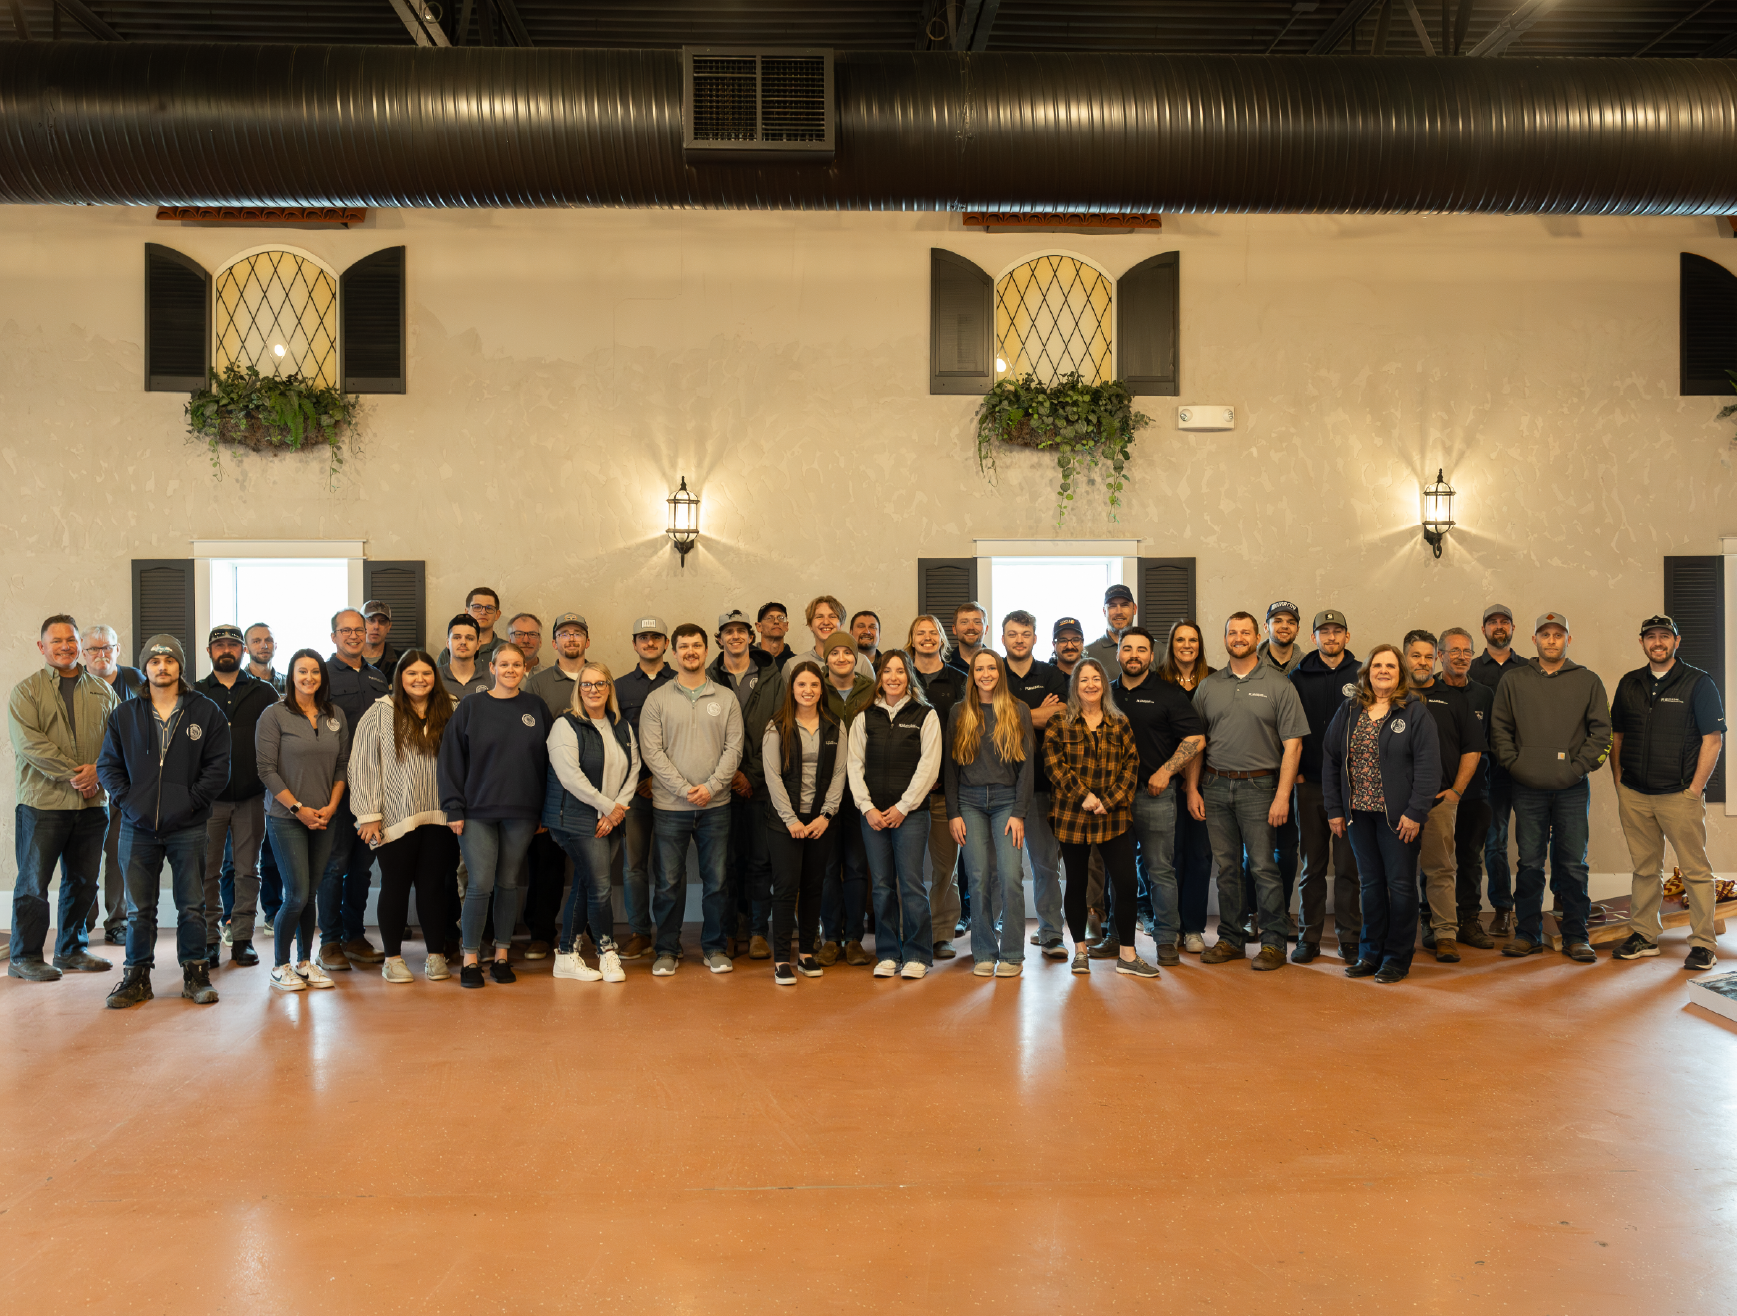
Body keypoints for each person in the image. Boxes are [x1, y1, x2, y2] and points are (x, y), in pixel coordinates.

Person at [97, 634, 232, 1008]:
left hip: (188, 825)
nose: (162, 667)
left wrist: (190, 803)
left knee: (192, 905)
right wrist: (130, 803)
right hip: (136, 827)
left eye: (169, 661)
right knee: (139, 908)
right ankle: (136, 977)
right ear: (145, 667)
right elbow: (107, 766)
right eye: (154, 662)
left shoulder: (205, 712)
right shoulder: (124, 714)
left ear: (180, 666)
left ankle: (195, 975)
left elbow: (218, 767)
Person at [1489, 612, 1612, 963]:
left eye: (1559, 635)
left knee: (1573, 865)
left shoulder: (1588, 680)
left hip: (1573, 788)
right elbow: (1499, 730)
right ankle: (1526, 933)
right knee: (1529, 862)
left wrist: (1576, 768)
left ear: (1568, 640)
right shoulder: (1514, 680)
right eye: (1545, 634)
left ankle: (1576, 935)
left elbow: (1602, 732)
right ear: (1534, 640)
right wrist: (1516, 765)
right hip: (1526, 788)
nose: (1552, 640)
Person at [1188, 612, 1308, 971]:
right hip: (1214, 785)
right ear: (1224, 637)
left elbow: (1294, 745)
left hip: (1260, 786)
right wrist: (1193, 787)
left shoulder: (1279, 684)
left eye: (1245, 632)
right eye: (1232, 632)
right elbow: (1196, 742)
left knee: (1262, 867)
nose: (1238, 637)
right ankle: (1231, 938)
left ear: (1258, 636)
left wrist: (1283, 795)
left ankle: (1272, 943)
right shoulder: (1209, 686)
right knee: (1226, 869)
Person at [1610, 615, 1725, 971]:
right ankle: (1644, 936)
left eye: (1664, 636)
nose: (1657, 642)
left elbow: (1713, 739)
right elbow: (1618, 737)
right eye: (1651, 637)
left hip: (1679, 794)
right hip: (1635, 793)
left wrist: (1694, 790)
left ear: (1677, 641)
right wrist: (1619, 782)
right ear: (1641, 642)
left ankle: (1703, 944)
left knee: (1695, 871)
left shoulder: (1698, 683)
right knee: (1645, 869)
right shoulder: (1629, 683)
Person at [8, 615, 119, 981]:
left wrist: (98, 774)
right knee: (33, 883)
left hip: (92, 805)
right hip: (43, 805)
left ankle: (72, 949)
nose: (65, 646)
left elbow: (119, 741)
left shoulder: (103, 691)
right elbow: (31, 746)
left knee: (84, 881)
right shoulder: (26, 692)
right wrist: (80, 774)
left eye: (70, 639)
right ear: (42, 647)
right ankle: (24, 956)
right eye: (56, 641)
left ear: (79, 645)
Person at [1321, 645, 1441, 984]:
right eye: (1377, 665)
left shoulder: (1415, 713)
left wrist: (1416, 812)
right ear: (1367, 672)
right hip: (1359, 816)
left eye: (1391, 666)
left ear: (1400, 673)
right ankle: (1369, 954)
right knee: (1370, 886)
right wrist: (1334, 809)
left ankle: (1397, 959)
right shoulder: (1349, 711)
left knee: (1401, 887)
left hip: (1399, 819)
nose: (1383, 671)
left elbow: (1429, 768)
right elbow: (1331, 760)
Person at [438, 643, 551, 987]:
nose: (511, 670)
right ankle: (470, 958)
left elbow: (550, 763)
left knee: (508, 884)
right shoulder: (472, 707)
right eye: (504, 664)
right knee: (480, 884)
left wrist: (545, 811)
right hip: (476, 813)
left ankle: (502, 955)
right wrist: (453, 807)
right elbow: (450, 760)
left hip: (521, 813)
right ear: (492, 668)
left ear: (525, 669)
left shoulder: (536, 707)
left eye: (517, 664)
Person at [640, 622, 745, 977]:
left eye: (696, 645)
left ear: (705, 650)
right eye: (683, 646)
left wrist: (711, 787)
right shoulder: (657, 699)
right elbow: (652, 752)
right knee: (668, 883)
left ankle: (714, 948)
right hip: (670, 808)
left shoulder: (726, 698)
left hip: (716, 807)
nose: (690, 652)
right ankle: (667, 949)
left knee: (716, 881)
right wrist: (686, 790)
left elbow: (734, 749)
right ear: (674, 652)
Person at [1045, 657, 1159, 979]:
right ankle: (1080, 951)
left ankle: (1127, 955)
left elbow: (1131, 767)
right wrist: (1084, 795)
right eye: (1084, 680)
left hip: (1114, 816)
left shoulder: (1119, 722)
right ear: (1075, 686)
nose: (1091, 685)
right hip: (1072, 815)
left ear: (1103, 684)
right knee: (1077, 884)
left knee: (1125, 884)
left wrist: (1108, 801)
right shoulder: (1059, 723)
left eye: (1096, 678)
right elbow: (1054, 766)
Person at [352, 650, 461, 984]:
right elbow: (363, 765)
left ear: (435, 676)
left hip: (441, 815)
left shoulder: (452, 708)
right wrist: (368, 815)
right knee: (395, 885)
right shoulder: (380, 712)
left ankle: (435, 955)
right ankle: (393, 958)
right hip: (395, 815)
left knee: (433, 886)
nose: (419, 679)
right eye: (411, 673)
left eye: (426, 673)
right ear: (400, 677)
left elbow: (465, 760)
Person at [254, 649, 348, 992]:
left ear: (322, 677)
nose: (309, 677)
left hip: (325, 817)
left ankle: (305, 963)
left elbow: (342, 765)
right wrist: (298, 810)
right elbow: (266, 770)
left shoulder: (334, 714)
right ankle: (280, 966)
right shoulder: (274, 715)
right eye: (301, 671)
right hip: (286, 818)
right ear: (291, 675)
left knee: (310, 896)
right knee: (294, 894)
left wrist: (332, 806)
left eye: (315, 672)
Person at [1111, 627, 1204, 967]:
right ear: (1118, 654)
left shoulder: (1167, 693)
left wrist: (1166, 771)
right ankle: (1115, 936)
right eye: (1127, 648)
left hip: (1155, 796)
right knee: (1117, 872)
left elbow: (1195, 738)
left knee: (1160, 870)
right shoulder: (1106, 694)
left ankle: (1166, 939)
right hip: (1114, 801)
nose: (1134, 654)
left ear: (1152, 656)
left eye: (1141, 649)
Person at [848, 650, 941, 979]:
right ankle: (888, 953)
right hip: (872, 816)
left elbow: (929, 768)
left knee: (911, 884)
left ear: (909, 676)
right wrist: (867, 807)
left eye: (900, 671)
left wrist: (903, 807)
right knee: (882, 887)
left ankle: (917, 954)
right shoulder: (864, 717)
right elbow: (853, 766)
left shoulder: (925, 715)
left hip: (911, 816)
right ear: (879, 677)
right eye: (887, 671)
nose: (893, 677)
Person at [543, 660, 637, 985]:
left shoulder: (620, 726)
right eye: (586, 684)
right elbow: (571, 777)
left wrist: (618, 810)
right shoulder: (565, 725)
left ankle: (567, 955)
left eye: (600, 684)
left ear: (609, 688)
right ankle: (607, 952)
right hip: (575, 819)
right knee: (599, 887)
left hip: (611, 819)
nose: (593, 690)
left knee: (586, 883)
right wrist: (608, 808)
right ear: (578, 690)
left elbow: (633, 768)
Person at [945, 650, 1034, 976]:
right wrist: (953, 812)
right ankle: (984, 951)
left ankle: (1012, 954)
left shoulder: (1018, 710)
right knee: (979, 878)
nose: (985, 674)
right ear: (972, 674)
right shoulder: (959, 712)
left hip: (1006, 802)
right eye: (979, 668)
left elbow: (1027, 768)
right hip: (968, 803)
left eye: (991, 668)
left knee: (1011, 877)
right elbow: (950, 768)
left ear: (1000, 672)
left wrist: (1019, 812)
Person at [762, 660, 848, 984]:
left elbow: (840, 774)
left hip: (821, 822)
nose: (808, 691)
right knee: (786, 888)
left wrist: (826, 815)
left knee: (814, 887)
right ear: (792, 690)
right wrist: (791, 820)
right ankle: (782, 959)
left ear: (821, 690)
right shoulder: (777, 726)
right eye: (802, 685)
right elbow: (772, 778)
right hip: (784, 823)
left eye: (814, 685)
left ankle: (807, 954)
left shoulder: (834, 725)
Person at [195, 624, 276, 969]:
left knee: (247, 870)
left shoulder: (265, 692)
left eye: (233, 644)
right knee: (207, 872)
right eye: (219, 645)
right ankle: (210, 939)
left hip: (251, 797)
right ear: (210, 652)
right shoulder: (195, 694)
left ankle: (242, 938)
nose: (226, 650)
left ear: (243, 651)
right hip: (207, 801)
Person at [314, 609, 390, 972]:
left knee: (362, 868)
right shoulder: (322, 676)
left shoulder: (378, 678)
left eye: (359, 630)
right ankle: (329, 942)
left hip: (373, 788)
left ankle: (354, 936)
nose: (355, 635)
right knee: (334, 866)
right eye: (346, 630)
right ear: (333, 637)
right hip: (337, 786)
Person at [1404, 630, 1486, 964]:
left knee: (1441, 870)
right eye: (1415, 656)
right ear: (1405, 657)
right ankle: (1399, 934)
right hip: (1397, 804)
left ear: (1436, 657)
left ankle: (1445, 935)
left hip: (1439, 803)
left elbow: (1473, 748)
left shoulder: (1453, 698)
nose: (1421, 662)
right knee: (1399, 872)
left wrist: (1455, 792)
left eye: (1427, 656)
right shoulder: (1394, 696)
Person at [1287, 609, 1362, 963]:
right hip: (1311, 785)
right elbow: (1286, 729)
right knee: (1312, 867)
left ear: (1347, 636)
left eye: (1337, 631)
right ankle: (1309, 938)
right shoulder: (1297, 676)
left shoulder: (1363, 673)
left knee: (1349, 868)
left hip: (1352, 790)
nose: (1331, 638)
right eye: (1324, 632)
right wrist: (1298, 773)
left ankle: (1349, 938)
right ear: (1313, 637)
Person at [1001, 610, 1072, 960]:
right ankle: (1005, 930)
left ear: (1034, 638)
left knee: (1045, 865)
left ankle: (1051, 933)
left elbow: (1060, 715)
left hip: (1043, 785)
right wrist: (1034, 714)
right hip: (998, 786)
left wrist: (1012, 715)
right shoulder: (992, 671)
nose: (1019, 639)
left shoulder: (1052, 674)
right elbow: (985, 718)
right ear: (1002, 639)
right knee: (1004, 867)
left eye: (1025, 633)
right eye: (1012, 634)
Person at [709, 609, 780, 957]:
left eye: (741, 630)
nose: (735, 636)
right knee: (725, 863)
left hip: (762, 785)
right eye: (728, 631)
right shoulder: (709, 679)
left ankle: (756, 930)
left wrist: (750, 775)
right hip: (720, 786)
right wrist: (730, 775)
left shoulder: (771, 676)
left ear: (751, 636)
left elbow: (781, 728)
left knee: (759, 861)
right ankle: (729, 930)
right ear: (719, 638)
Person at [614, 616, 675, 960]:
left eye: (656, 637)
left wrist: (662, 778)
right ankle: (640, 932)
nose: (650, 643)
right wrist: (638, 782)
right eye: (643, 638)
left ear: (666, 644)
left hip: (673, 790)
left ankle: (668, 936)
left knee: (668, 867)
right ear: (634, 644)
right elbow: (615, 739)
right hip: (634, 791)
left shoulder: (682, 683)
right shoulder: (620, 688)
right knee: (633, 865)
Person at [77, 624, 142, 945]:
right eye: (93, 649)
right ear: (82, 653)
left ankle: (117, 920)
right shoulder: (74, 685)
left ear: (118, 649)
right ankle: (82, 922)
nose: (101, 655)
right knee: (85, 855)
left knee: (121, 854)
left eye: (107, 648)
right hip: (87, 787)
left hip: (125, 788)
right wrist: (89, 775)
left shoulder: (137, 681)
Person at [908, 614, 965, 958]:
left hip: (946, 790)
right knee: (908, 869)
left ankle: (942, 933)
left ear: (942, 640)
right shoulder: (899, 676)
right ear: (911, 639)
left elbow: (965, 734)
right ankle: (912, 932)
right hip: (907, 794)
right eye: (920, 633)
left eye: (934, 633)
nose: (927, 638)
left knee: (946, 867)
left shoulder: (959, 681)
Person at [1157, 620, 1216, 954]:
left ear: (1200, 644)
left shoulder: (1215, 679)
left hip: (1207, 781)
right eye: (1180, 639)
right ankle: (1170, 926)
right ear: (1171, 644)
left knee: (1200, 854)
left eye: (1192, 639)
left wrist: (1194, 783)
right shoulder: (1158, 682)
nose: (1186, 645)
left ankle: (1193, 927)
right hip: (1166, 780)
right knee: (1169, 856)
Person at [817, 631, 876, 965]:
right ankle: (831, 939)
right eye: (834, 652)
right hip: (823, 791)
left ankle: (854, 939)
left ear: (856, 658)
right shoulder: (814, 687)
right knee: (827, 869)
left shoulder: (871, 689)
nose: (841, 658)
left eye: (847, 652)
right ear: (826, 658)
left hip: (859, 792)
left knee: (855, 867)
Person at [1437, 628, 1498, 949]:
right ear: (1440, 655)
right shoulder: (1428, 690)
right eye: (1454, 651)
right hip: (1435, 794)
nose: (1461, 657)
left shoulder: (1484, 695)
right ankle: (1434, 921)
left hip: (1475, 794)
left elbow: (1493, 741)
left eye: (1467, 651)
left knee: (1470, 860)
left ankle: (1469, 921)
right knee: (1436, 861)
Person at [1470, 603, 1522, 935]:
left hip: (1528, 766)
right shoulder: (1472, 671)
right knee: (1495, 841)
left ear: (1513, 629)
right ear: (1484, 630)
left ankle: (1548, 909)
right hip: (1490, 770)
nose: (1498, 626)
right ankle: (1502, 909)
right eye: (1492, 622)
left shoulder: (1530, 669)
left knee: (1536, 840)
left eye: (1505, 622)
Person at [784, 595, 876, 685]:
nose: (826, 622)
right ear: (810, 624)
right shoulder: (792, 665)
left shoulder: (861, 662)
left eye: (832, 616)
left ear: (841, 624)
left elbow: (873, 699)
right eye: (819, 616)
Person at [525, 612, 590, 716]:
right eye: (564, 634)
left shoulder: (602, 680)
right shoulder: (537, 684)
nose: (571, 639)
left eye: (578, 634)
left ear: (587, 642)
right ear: (554, 643)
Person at [438, 587, 504, 667]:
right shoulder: (450, 651)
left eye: (489, 608)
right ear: (466, 612)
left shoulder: (507, 649)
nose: (483, 612)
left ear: (497, 615)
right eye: (477, 607)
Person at [438, 613, 494, 700]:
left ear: (478, 644)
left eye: (470, 638)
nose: (463, 642)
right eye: (457, 637)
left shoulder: (492, 679)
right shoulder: (434, 677)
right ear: (448, 643)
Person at [1085, 584, 1136, 666]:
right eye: (1112, 606)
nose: (1119, 611)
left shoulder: (1157, 650)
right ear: (1104, 611)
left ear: (1135, 609)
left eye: (1124, 605)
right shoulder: (1087, 654)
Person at [946, 601, 989, 677]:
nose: (971, 627)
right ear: (954, 629)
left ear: (986, 629)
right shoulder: (944, 664)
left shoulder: (998, 664)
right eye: (964, 622)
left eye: (977, 622)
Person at [361, 600, 400, 674]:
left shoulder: (401, 663)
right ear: (360, 624)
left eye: (382, 621)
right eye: (371, 620)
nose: (376, 626)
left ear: (389, 627)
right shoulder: (346, 661)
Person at [245, 623, 286, 693]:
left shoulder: (290, 683)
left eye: (269, 640)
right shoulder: (236, 683)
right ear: (246, 649)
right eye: (256, 641)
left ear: (275, 646)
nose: (264, 646)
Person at [753, 602, 795, 670]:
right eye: (769, 618)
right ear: (759, 627)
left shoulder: (796, 664)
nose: (776, 621)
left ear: (786, 626)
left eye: (781, 618)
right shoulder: (748, 662)